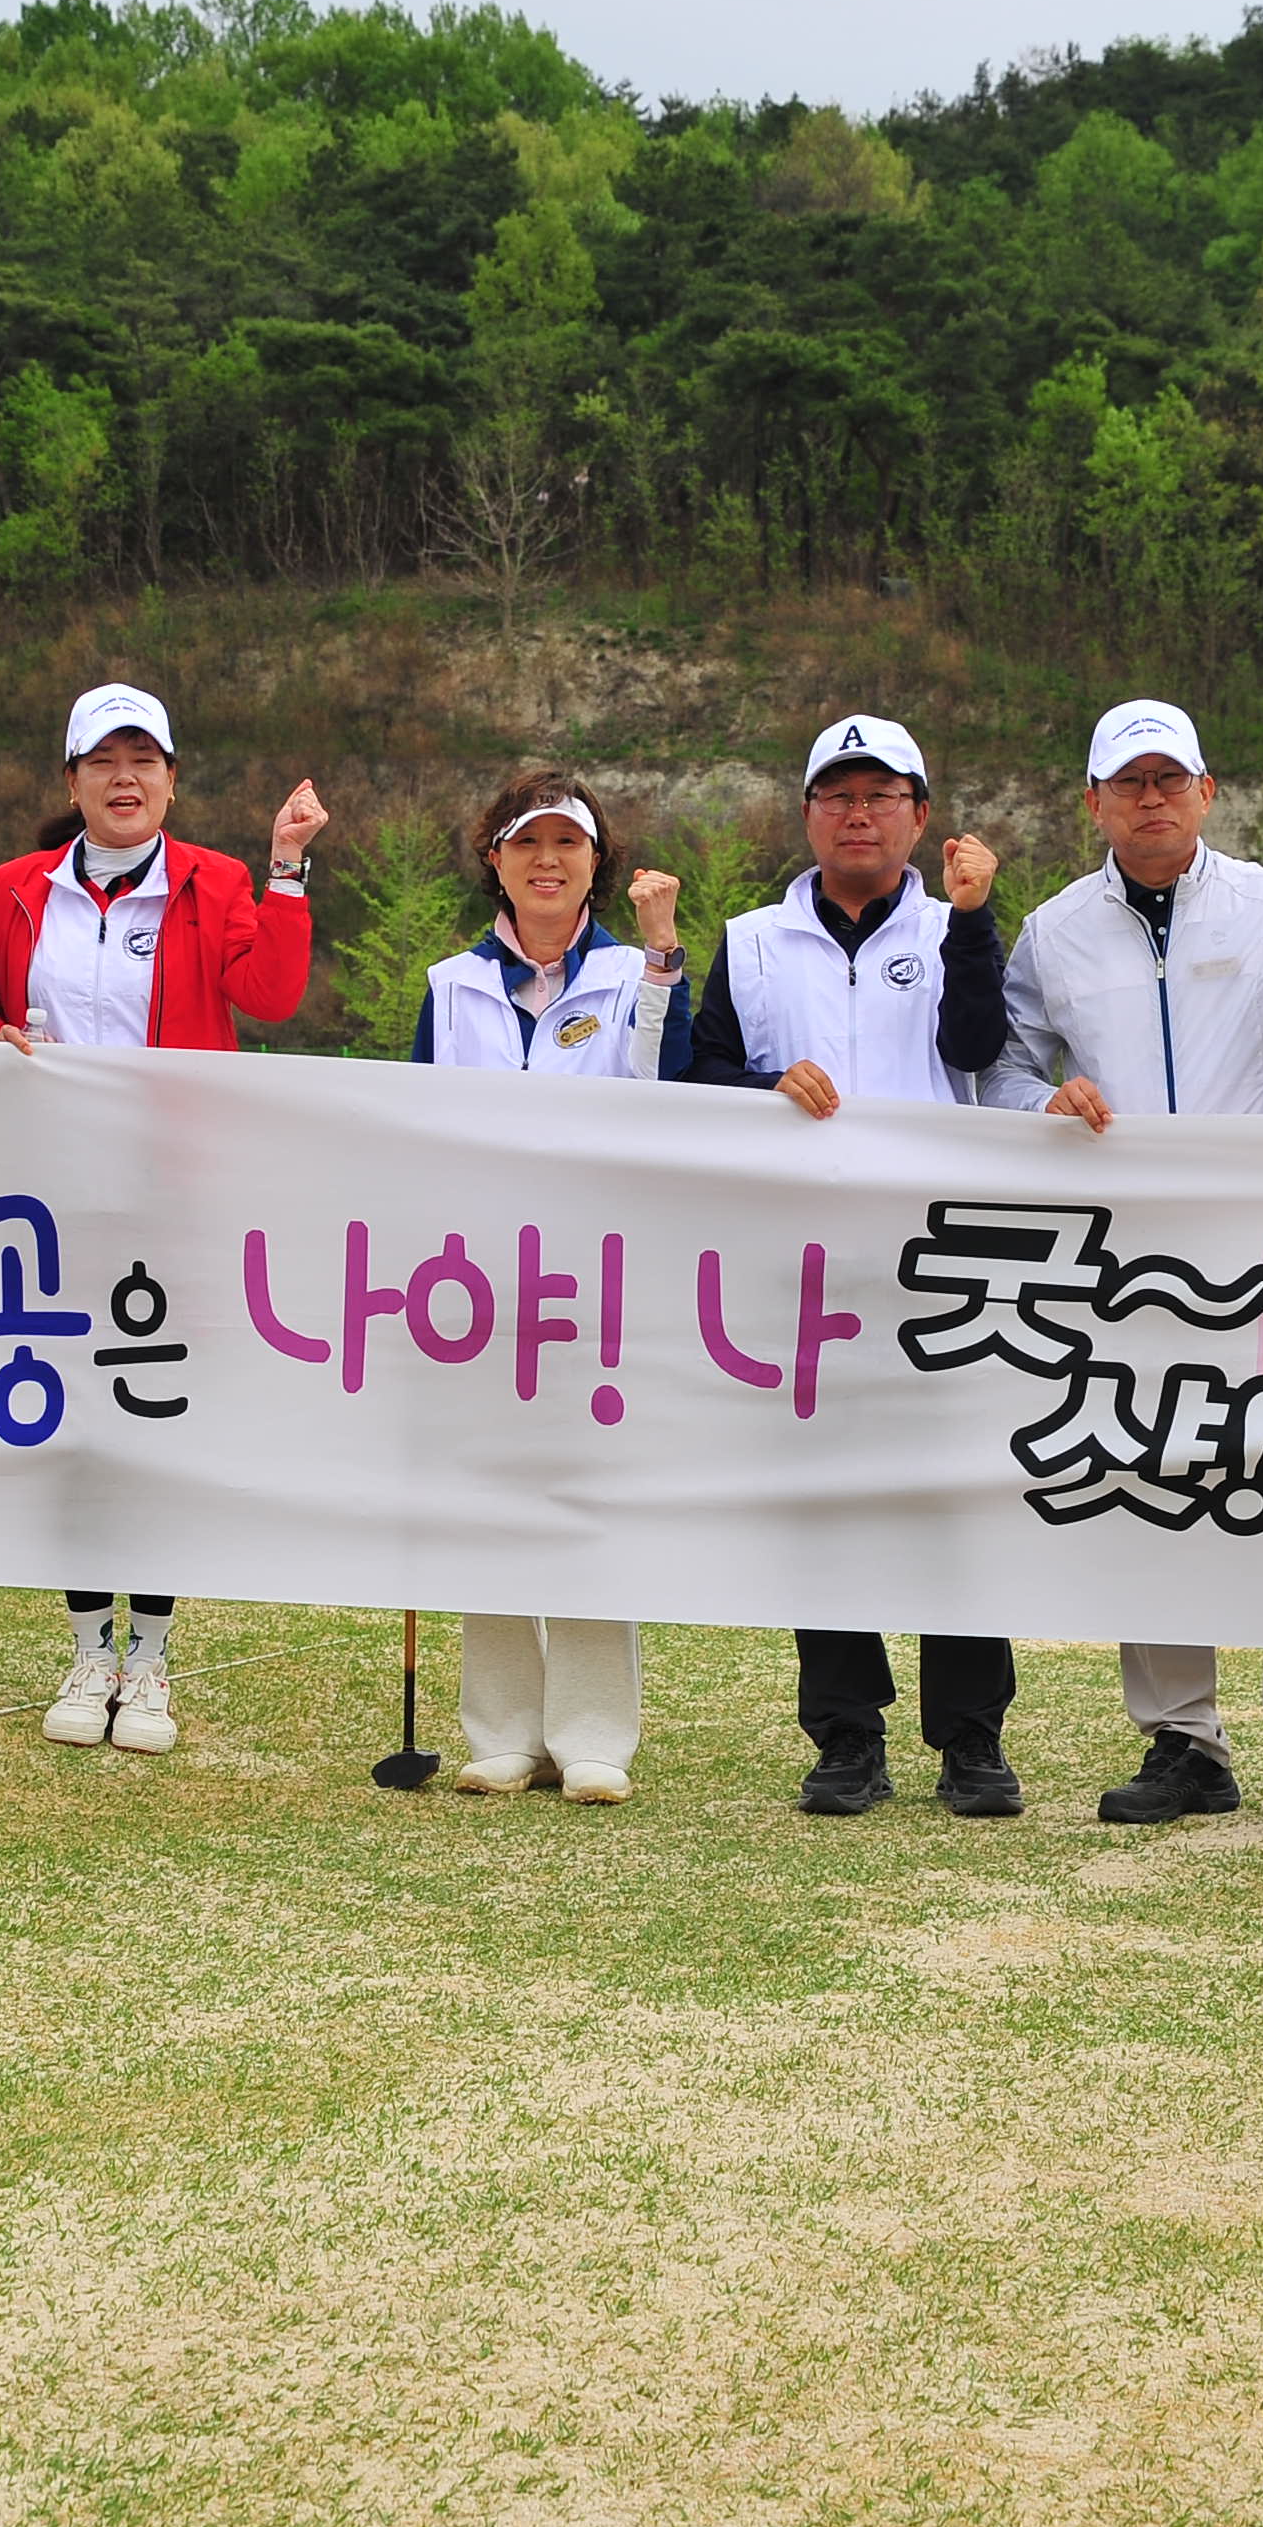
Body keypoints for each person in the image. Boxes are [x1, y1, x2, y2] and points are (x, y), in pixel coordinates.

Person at [980, 698, 1263, 1836]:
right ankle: (1182, 1740)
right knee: (1151, 1478)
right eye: (1129, 782)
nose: (1151, 798)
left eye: (1170, 778)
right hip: (1128, 1248)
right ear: (1094, 802)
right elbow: (1002, 1067)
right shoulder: (1054, 929)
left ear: (1206, 791)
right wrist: (1043, 1099)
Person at [676, 713, 1020, 1818]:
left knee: (952, 1501)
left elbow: (975, 1050)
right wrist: (761, 1088)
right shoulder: (750, 940)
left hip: (941, 1257)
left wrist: (973, 923)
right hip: (803, 1264)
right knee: (821, 1501)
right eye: (837, 795)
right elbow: (697, 1076)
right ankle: (844, 1734)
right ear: (808, 813)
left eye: (880, 795)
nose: (856, 813)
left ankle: (970, 1737)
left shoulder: (957, 920)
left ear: (918, 815)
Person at [0, 682, 327, 1754]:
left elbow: (270, 995)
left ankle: (153, 1657)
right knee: (75, 1424)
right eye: (103, 761)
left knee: (155, 1410)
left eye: (143, 761)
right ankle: (90, 1647)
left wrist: (285, 868)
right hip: (52, 1197)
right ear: (73, 779)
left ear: (171, 781)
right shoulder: (15, 887)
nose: (123, 778)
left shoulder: (213, 881)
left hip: (173, 1195)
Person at [411, 768, 692, 1803]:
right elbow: (413, 1130)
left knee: (584, 1497)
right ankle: (500, 1731)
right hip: (475, 1281)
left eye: (566, 843)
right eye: (525, 842)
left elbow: (667, 1089)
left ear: (596, 862)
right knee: (485, 1494)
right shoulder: (451, 984)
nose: (545, 860)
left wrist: (662, 958)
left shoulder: (634, 971)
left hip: (597, 1279)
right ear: (494, 860)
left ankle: (591, 1734)